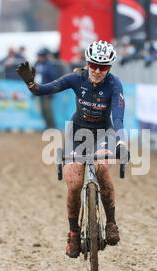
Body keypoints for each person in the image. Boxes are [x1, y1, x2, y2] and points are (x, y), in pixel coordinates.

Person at [16, 40, 129, 258]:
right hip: (77, 133)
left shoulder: (114, 85)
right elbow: (43, 90)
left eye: (103, 67)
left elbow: (118, 118)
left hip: (103, 133)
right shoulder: (77, 77)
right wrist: (31, 84)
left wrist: (121, 143)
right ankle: (74, 233)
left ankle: (111, 223)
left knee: (103, 169)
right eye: (93, 65)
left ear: (110, 68)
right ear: (87, 63)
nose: (97, 71)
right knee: (74, 183)